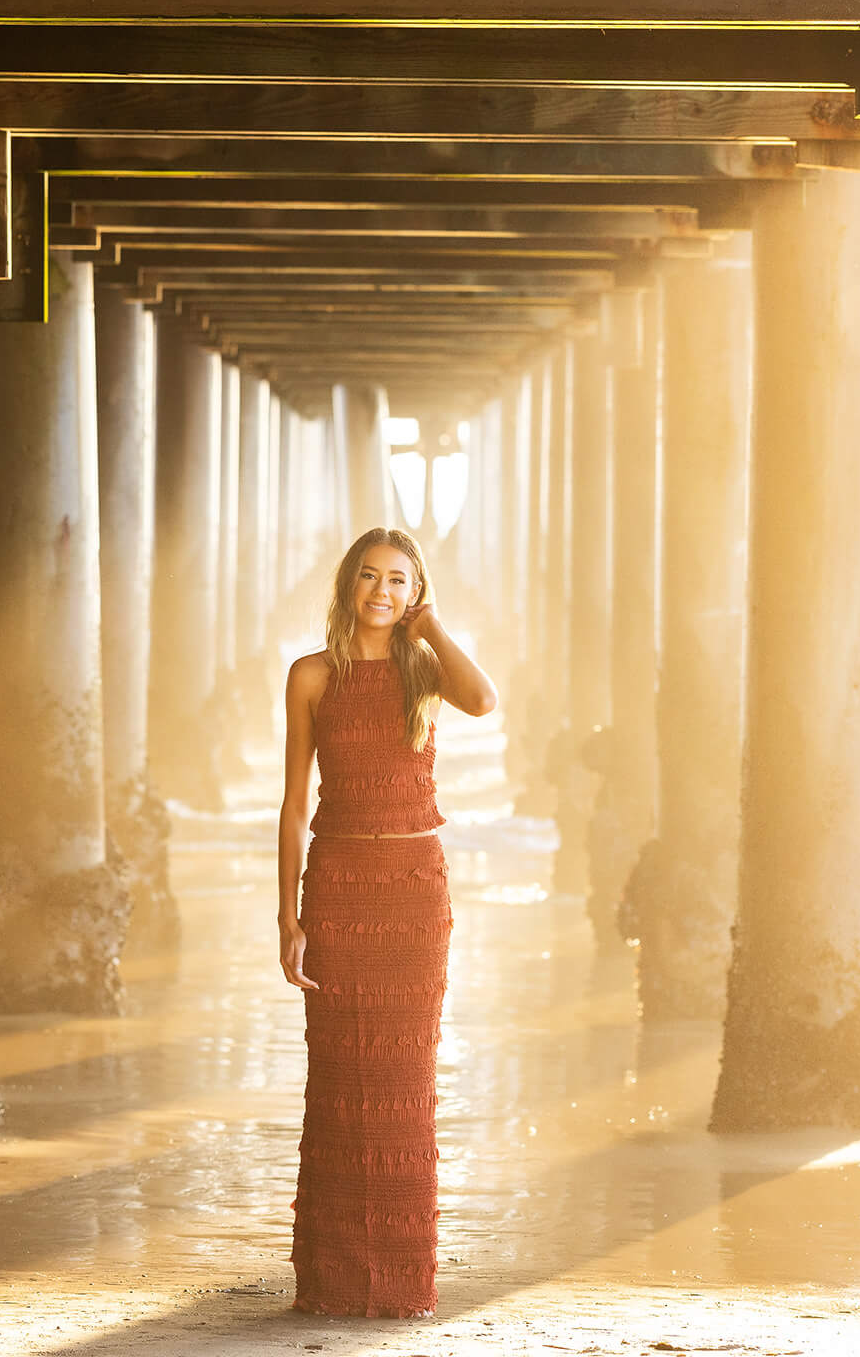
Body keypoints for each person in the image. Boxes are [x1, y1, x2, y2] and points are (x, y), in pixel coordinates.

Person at [278, 526, 498, 1318]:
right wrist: (288, 914)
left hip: (413, 890)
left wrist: (432, 627)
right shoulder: (310, 675)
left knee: (406, 1086)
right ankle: (335, 1285)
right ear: (348, 585)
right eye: (369, 576)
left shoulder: (423, 669)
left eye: (399, 581)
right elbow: (295, 803)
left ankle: (402, 1287)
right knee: (340, 1082)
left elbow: (484, 701)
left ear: (415, 591)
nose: (382, 590)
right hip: (339, 883)